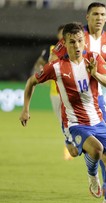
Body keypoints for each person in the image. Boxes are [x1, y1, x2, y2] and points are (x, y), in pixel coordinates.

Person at [19, 22, 106, 203]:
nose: (76, 46)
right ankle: (93, 177)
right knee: (97, 150)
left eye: (80, 41)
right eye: (72, 42)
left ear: (85, 41)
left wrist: (95, 74)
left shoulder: (94, 58)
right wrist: (26, 109)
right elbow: (31, 81)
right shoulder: (56, 67)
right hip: (74, 122)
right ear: (64, 44)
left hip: (97, 120)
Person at [51, 2, 106, 196]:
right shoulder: (77, 36)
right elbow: (55, 59)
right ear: (87, 17)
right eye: (95, 14)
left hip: (97, 99)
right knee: (74, 151)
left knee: (105, 141)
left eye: (102, 14)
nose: (99, 18)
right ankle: (73, 142)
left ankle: (104, 186)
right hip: (74, 100)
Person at [32, 24, 74, 160]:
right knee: (62, 121)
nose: (64, 36)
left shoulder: (75, 48)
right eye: (62, 33)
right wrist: (44, 72)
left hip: (71, 91)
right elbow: (39, 63)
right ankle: (69, 144)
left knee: (74, 118)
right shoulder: (50, 49)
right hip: (56, 92)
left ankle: (73, 145)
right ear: (58, 35)